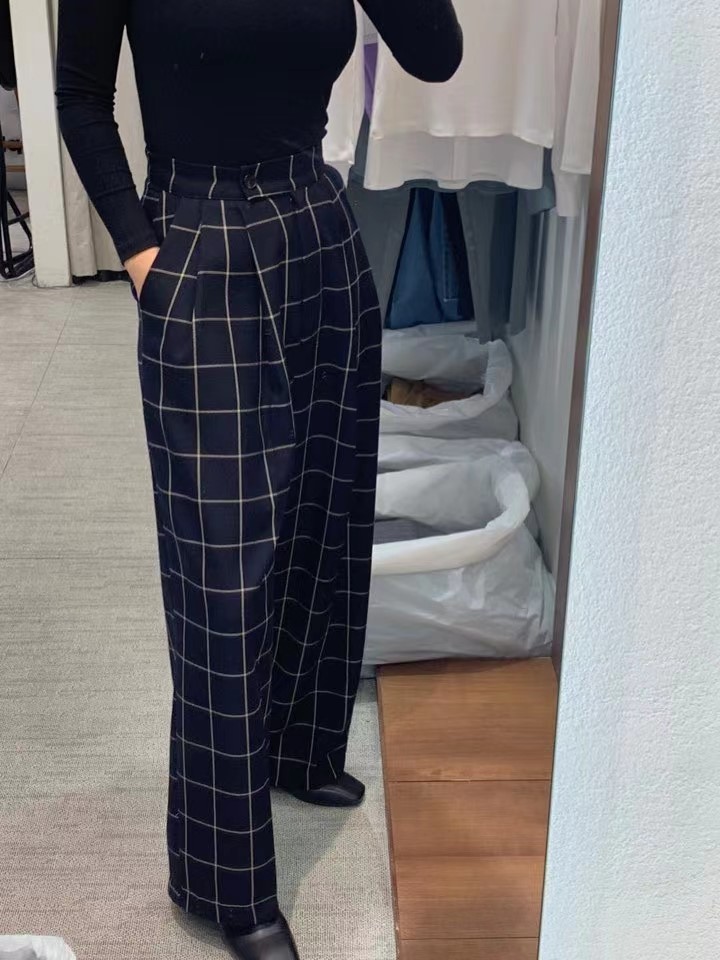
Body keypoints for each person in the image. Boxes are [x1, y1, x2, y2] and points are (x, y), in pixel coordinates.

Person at [55, 2, 462, 957]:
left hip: (317, 223)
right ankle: (223, 880)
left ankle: (301, 747)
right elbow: (78, 94)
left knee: (328, 506)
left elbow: (436, 55)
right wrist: (139, 249)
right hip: (197, 234)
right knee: (222, 567)